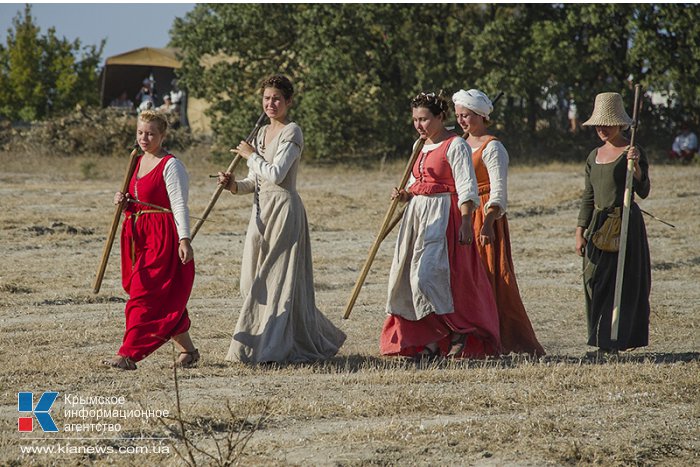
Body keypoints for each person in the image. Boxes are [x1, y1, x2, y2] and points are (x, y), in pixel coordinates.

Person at [217, 75, 346, 363]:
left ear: (288, 102)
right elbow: (255, 181)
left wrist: (250, 156)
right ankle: (292, 336)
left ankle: (271, 350)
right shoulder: (260, 133)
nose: (270, 103)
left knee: (275, 281)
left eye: (276, 98)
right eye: (266, 98)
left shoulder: (292, 132)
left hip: (285, 210)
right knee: (251, 280)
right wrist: (234, 185)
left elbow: (276, 174)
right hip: (261, 210)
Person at [380, 92, 501, 360]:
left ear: (440, 117)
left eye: (424, 119)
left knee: (429, 278)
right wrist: (405, 195)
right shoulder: (418, 146)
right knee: (408, 280)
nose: (419, 125)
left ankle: (459, 332)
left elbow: (466, 187)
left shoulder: (455, 145)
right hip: (417, 216)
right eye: (415, 120)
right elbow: (415, 183)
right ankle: (431, 341)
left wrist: (467, 222)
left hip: (444, 215)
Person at [452, 89, 545, 357]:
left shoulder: (493, 148)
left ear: (481, 116)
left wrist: (487, 223)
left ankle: (499, 337)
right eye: (458, 115)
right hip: (460, 214)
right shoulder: (458, 144)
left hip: (484, 218)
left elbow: (498, 193)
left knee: (488, 277)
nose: (461, 121)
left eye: (466, 115)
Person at [103, 110, 198, 370]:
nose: (144, 138)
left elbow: (179, 205)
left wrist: (185, 239)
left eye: (151, 134)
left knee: (143, 296)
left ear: (162, 135)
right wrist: (123, 202)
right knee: (151, 294)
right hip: (136, 235)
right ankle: (188, 351)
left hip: (162, 236)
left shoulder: (171, 165)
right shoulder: (135, 159)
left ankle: (127, 354)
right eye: (140, 132)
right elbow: (137, 198)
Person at [575, 92, 651, 354]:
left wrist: (636, 167)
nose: (602, 129)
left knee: (624, 282)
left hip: (626, 223)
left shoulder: (633, 151)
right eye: (598, 124)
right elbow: (588, 196)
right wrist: (579, 231)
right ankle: (598, 337)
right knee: (593, 280)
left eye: (607, 124)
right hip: (598, 224)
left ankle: (614, 341)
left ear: (620, 124)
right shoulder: (592, 155)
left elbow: (644, 190)